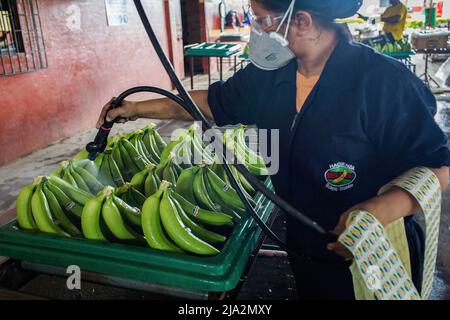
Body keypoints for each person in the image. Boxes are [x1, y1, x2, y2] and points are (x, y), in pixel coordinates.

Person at [96, 0, 450, 300]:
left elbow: (438, 167)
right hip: (305, 247)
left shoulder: (382, 82)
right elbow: (207, 103)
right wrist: (136, 109)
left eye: (262, 21)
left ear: (302, 21)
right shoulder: (270, 78)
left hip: (376, 249)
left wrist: (379, 209)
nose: (257, 32)